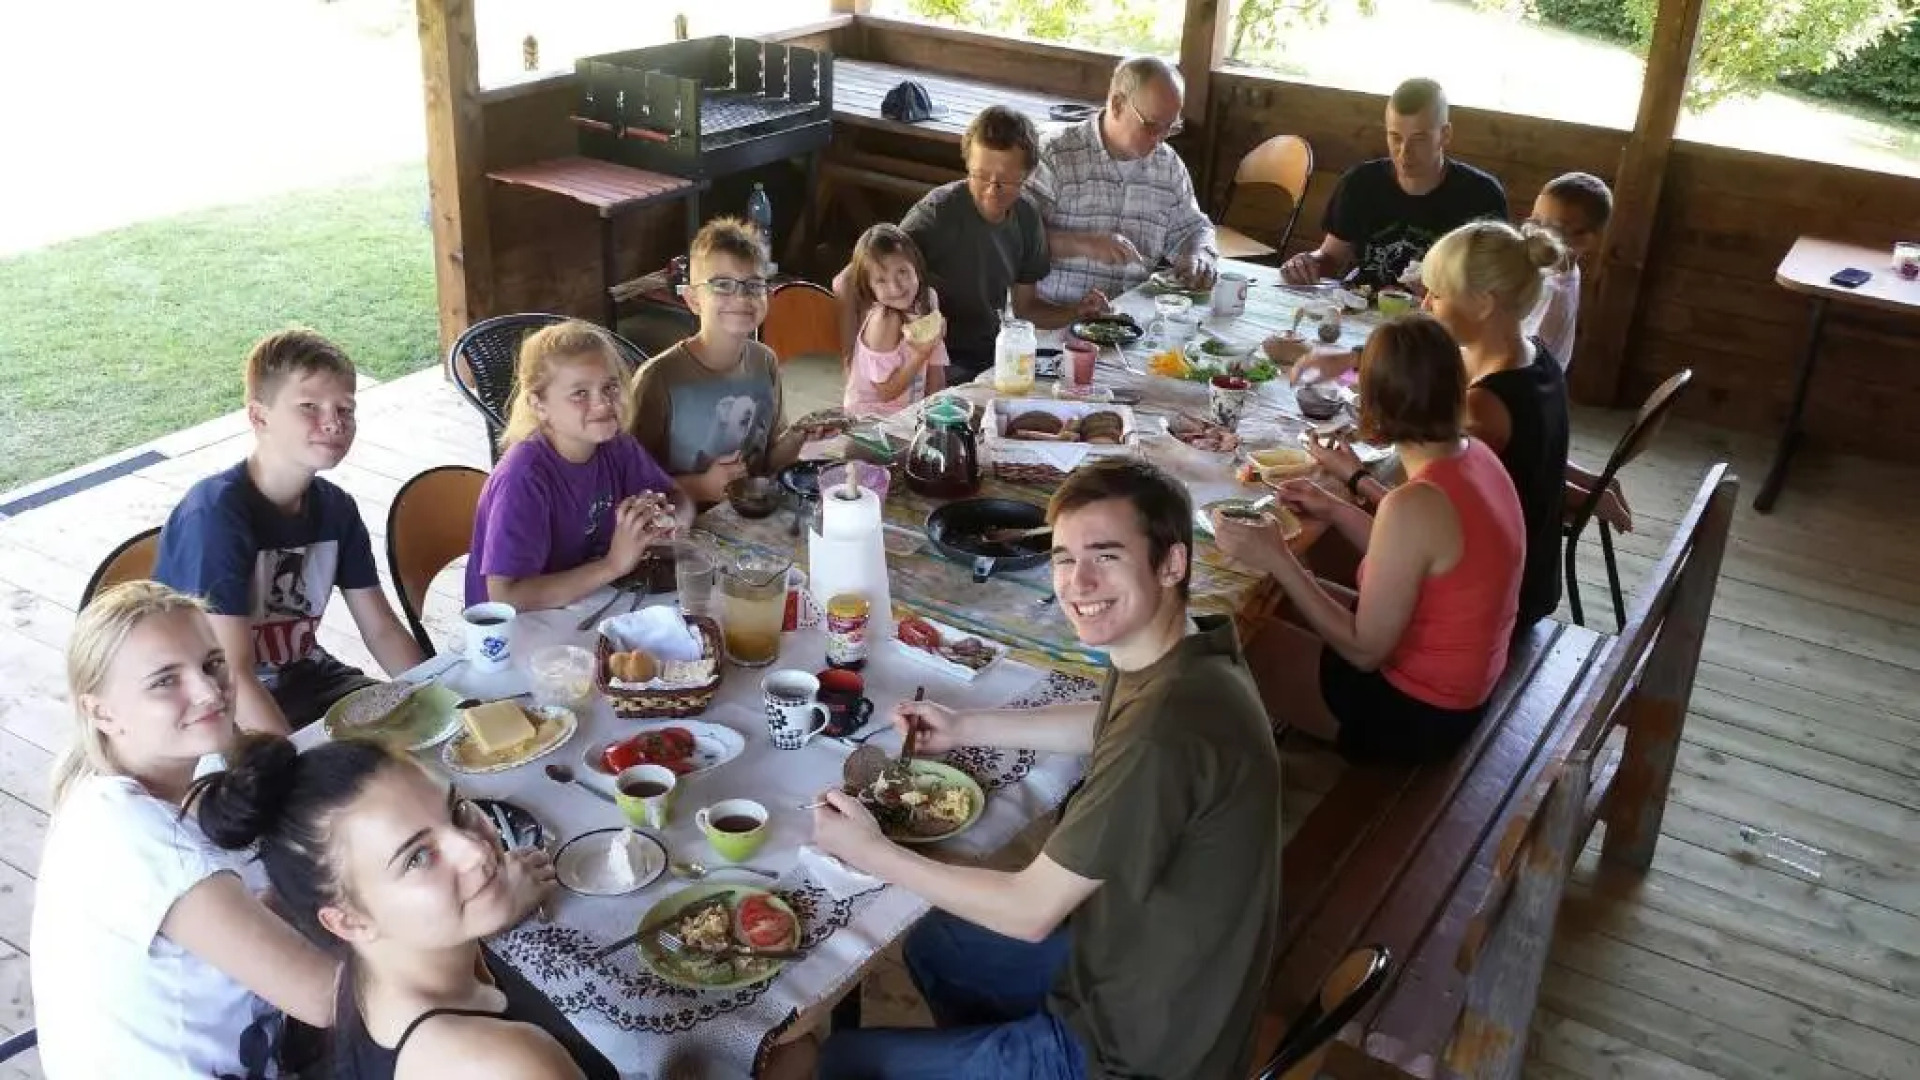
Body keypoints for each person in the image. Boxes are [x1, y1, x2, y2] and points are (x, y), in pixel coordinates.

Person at [806, 458, 1281, 1079]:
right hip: (1143, 964)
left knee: (841, 1061)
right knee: (937, 942)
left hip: (1140, 1052)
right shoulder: (1186, 652)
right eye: (1063, 558)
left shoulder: (1167, 732)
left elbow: (1030, 911)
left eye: (1106, 556)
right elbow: (1110, 718)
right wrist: (969, 726)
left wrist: (871, 851)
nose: (1078, 583)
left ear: (1172, 563)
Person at [31, 582, 341, 1078]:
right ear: (101, 712)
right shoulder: (125, 831)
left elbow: (259, 902)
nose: (207, 690)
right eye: (164, 680)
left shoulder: (190, 773)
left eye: (213, 663)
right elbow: (327, 998)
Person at [195, 733, 600, 1080]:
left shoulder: (386, 971)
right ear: (349, 921)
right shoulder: (506, 1064)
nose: (475, 850)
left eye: (457, 812)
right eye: (418, 858)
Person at [1214, 315, 1524, 763]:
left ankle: (1241, 771)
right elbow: (1415, 556)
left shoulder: (1414, 504)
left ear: (1371, 414)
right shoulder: (1477, 457)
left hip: (1415, 716)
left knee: (1222, 647)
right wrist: (1339, 508)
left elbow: (1363, 651)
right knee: (1269, 602)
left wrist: (1279, 557)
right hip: (1458, 689)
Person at [153, 329, 423, 735]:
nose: (333, 423)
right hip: (214, 707)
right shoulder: (215, 515)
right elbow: (233, 675)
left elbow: (380, 629)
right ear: (259, 417)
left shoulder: (336, 508)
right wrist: (295, 768)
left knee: (420, 736)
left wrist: (443, 702)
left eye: (345, 409)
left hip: (307, 678)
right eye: (309, 407)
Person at [835, 106, 1104, 384]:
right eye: (980, 174)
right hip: (932, 357)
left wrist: (1076, 311)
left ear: (1027, 175)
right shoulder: (937, 214)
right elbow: (846, 282)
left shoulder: (1026, 217)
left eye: (1005, 180)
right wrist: (850, 363)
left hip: (989, 352)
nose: (991, 188)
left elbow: (1026, 308)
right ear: (967, 164)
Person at [466, 320, 691, 611]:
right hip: (515, 630)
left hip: (586, 600)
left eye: (610, 387)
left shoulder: (616, 445)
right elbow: (506, 596)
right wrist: (613, 565)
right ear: (539, 405)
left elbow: (678, 497)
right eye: (580, 394)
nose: (603, 404)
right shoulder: (523, 477)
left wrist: (670, 524)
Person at [629, 218, 838, 504]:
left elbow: (768, 461)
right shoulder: (659, 379)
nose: (741, 297)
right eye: (722, 285)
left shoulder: (765, 362)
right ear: (692, 299)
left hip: (752, 515)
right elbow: (628, 481)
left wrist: (798, 435)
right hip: (684, 526)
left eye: (753, 286)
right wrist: (701, 487)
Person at [1281, 78, 1508, 291]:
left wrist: (1443, 289)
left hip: (1439, 321)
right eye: (1395, 137)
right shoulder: (1360, 182)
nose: (1404, 152)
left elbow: (1494, 284)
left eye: (1419, 139)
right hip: (1360, 308)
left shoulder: (1481, 195)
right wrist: (1307, 265)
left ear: (1445, 135)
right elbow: (1331, 257)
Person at [1027, 55, 1219, 307]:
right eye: (1151, 126)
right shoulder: (1055, 154)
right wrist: (1085, 244)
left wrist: (1198, 254)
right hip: (1057, 315)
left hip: (1132, 321)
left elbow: (1195, 229)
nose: (1160, 139)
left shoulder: (1168, 165)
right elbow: (1013, 237)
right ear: (1117, 105)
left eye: (1170, 128)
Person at [840, 223, 950, 415]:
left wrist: (937, 412)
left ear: (915, 266)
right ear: (870, 287)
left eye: (902, 272)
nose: (896, 287)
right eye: (881, 280)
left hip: (908, 414)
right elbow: (885, 393)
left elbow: (936, 371)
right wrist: (921, 354)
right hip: (871, 420)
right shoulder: (884, 322)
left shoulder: (929, 299)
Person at [1525, 171, 1613, 371]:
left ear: (1586, 240)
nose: (1537, 235)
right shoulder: (1554, 272)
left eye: (1554, 229)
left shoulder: (1554, 295)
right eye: (1535, 222)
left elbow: (1526, 365)